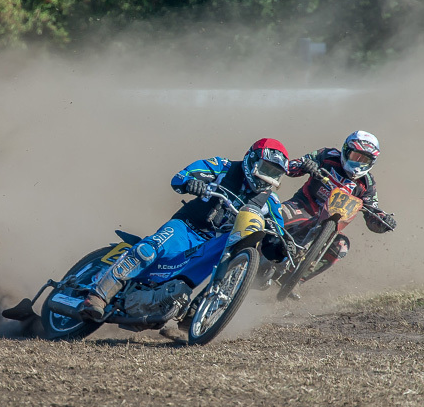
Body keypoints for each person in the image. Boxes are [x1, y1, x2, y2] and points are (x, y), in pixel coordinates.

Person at [78, 138, 292, 322]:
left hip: (216, 245)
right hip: (187, 227)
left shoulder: (271, 202)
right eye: (265, 169)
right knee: (148, 250)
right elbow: (181, 177)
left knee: (230, 266)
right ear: (251, 160)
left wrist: (281, 247)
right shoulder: (222, 167)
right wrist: (192, 183)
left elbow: (275, 233)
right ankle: (98, 295)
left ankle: (194, 314)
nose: (267, 177)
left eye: (275, 173)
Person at [282, 130, 396, 286]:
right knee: (277, 214)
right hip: (302, 207)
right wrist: (305, 165)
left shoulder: (367, 183)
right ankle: (246, 249)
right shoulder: (326, 156)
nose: (358, 163)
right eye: (356, 157)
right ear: (346, 151)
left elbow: (372, 212)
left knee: (342, 245)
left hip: (331, 225)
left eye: (364, 160)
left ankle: (296, 281)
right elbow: (290, 167)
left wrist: (383, 221)